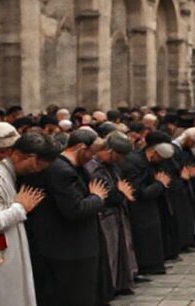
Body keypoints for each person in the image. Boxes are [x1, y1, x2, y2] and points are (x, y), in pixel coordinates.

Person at [24, 129, 110, 306]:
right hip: (68, 249)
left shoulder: (68, 167)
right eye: (91, 153)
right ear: (80, 147)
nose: (92, 158)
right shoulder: (61, 170)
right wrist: (97, 197)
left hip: (69, 246)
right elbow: (75, 210)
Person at [0, 131, 57, 306]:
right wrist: (20, 207)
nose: (37, 169)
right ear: (26, 156)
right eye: (37, 164)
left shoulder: (11, 175)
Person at [84, 132, 138, 295]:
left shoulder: (112, 166)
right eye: (118, 156)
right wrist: (121, 193)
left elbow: (121, 186)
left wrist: (121, 193)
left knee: (121, 249)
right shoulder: (92, 167)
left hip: (117, 213)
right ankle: (110, 286)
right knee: (110, 253)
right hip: (104, 214)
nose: (119, 160)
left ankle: (121, 283)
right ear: (109, 151)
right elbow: (108, 194)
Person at [119, 131, 173, 275]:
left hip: (151, 205)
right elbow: (139, 191)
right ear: (153, 152)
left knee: (153, 234)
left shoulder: (151, 161)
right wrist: (159, 184)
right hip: (138, 207)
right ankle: (145, 266)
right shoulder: (134, 162)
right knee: (143, 236)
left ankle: (154, 264)